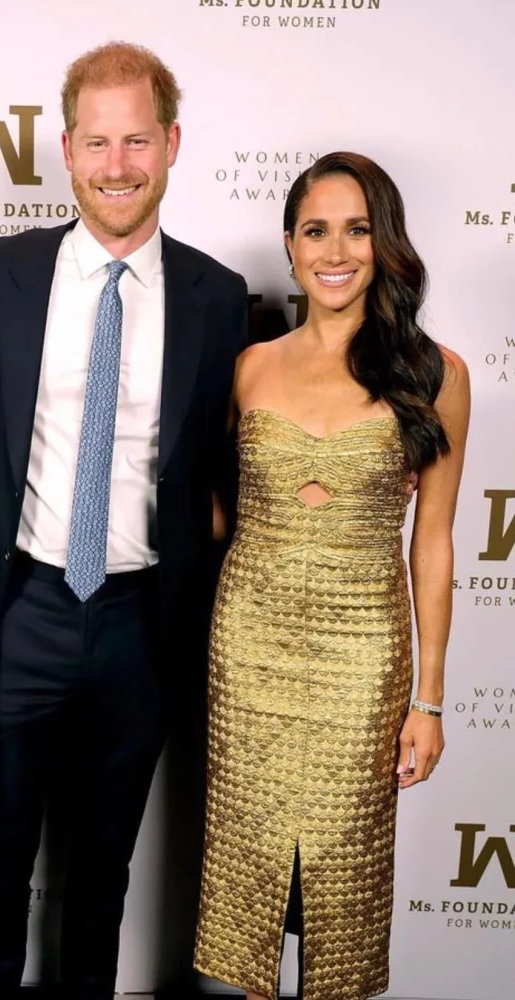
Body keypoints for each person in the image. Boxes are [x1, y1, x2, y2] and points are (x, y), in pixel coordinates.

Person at [0, 41, 249, 1000]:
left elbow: (226, 459)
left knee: (103, 867)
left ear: (170, 144)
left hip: (140, 622)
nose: (116, 166)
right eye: (96, 143)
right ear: (67, 152)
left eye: (136, 141)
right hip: (20, 608)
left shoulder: (220, 297)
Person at [194, 152, 471, 1000]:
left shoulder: (437, 374)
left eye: (358, 228)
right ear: (290, 245)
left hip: (361, 656)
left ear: (385, 243)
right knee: (248, 872)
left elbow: (434, 543)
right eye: (316, 230)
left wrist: (429, 701)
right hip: (250, 647)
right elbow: (217, 520)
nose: (336, 249)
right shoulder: (250, 366)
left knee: (340, 894)